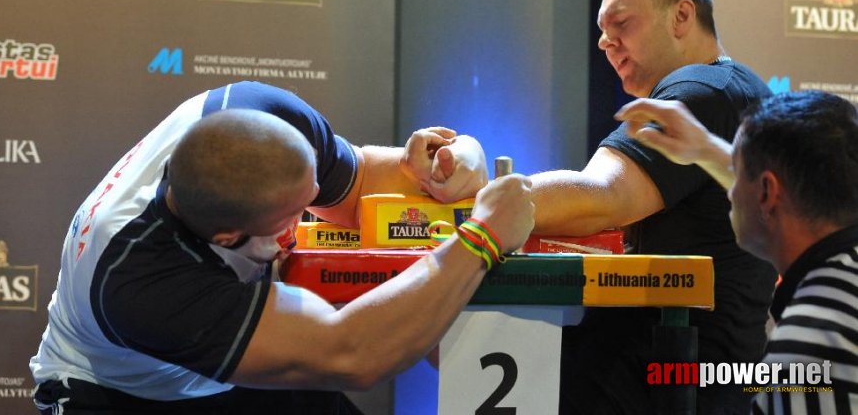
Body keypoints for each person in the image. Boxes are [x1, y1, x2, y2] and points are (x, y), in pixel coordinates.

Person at [30, 81, 535, 414]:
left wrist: (450, 162)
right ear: (226, 238)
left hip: (218, 342)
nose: (303, 229)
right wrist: (482, 239)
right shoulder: (140, 280)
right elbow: (352, 353)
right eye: (289, 220)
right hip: (118, 392)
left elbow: (363, 191)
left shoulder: (258, 113)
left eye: (308, 202)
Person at [530, 0, 778, 413]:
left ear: (682, 16)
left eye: (621, 23)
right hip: (711, 374)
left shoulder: (699, 90)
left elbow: (601, 197)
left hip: (659, 376)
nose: (606, 42)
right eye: (602, 32)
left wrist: (481, 199)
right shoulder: (744, 88)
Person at [616, 91, 858, 413]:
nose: (730, 190)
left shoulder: (812, 343)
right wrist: (704, 148)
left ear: (767, 192)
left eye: (737, 171)